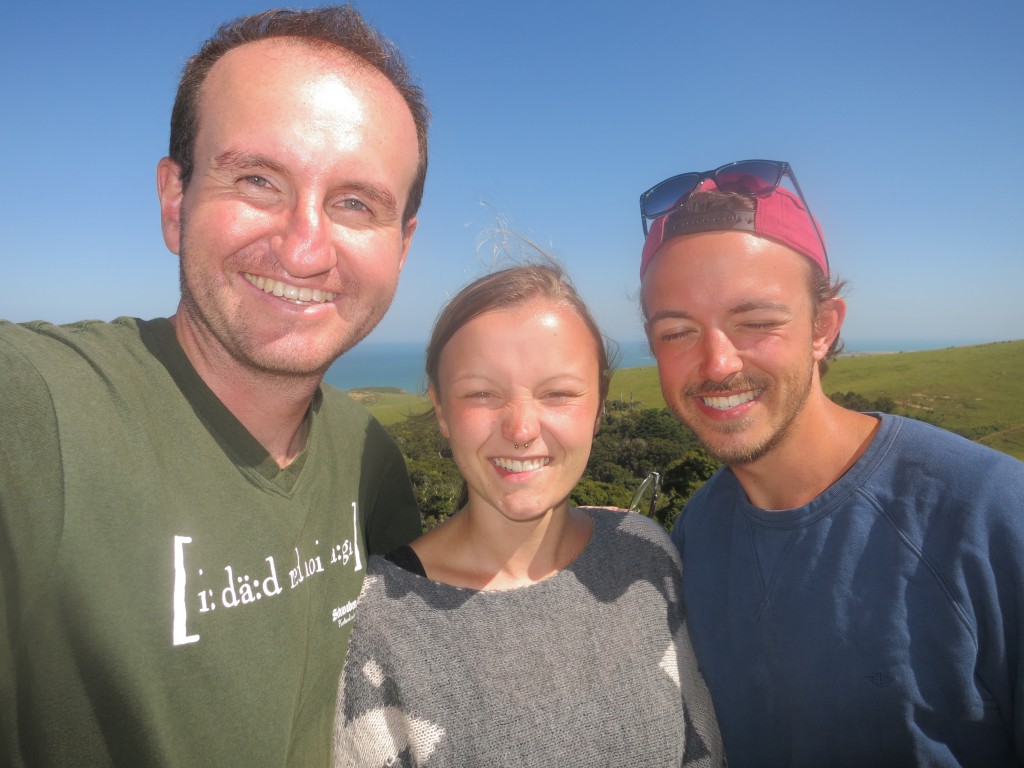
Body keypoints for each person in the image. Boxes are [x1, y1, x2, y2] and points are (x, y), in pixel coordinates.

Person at [0, 7, 429, 766]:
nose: (303, 248)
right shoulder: (43, 414)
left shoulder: (372, 460)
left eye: (356, 203)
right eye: (258, 181)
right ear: (176, 202)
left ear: (404, 244)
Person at [637, 159, 1024, 766]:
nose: (716, 364)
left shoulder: (991, 518)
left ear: (823, 327)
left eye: (757, 322)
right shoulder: (700, 528)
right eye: (677, 332)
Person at [332, 263, 724, 767]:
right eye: (481, 394)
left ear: (599, 407)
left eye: (558, 393)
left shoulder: (644, 557)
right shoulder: (378, 624)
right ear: (442, 410)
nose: (520, 428)